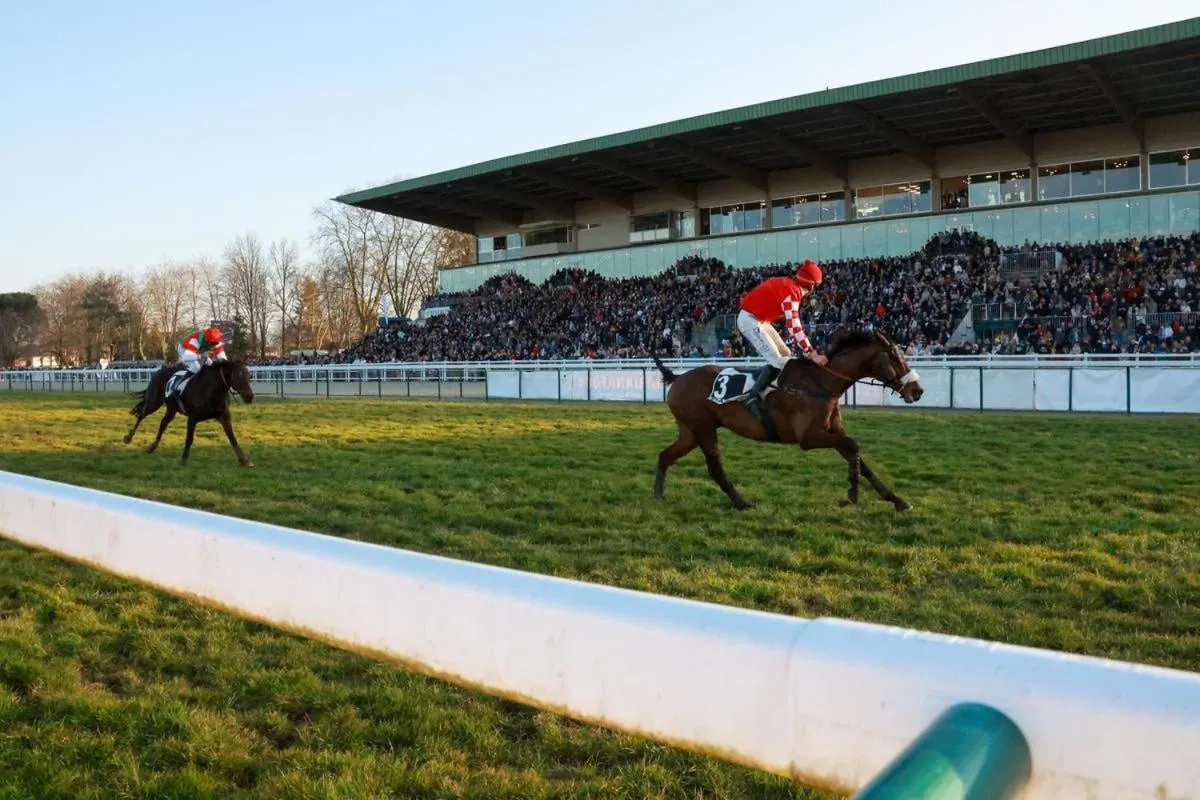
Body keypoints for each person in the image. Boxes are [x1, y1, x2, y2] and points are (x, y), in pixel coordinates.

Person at [736, 260, 827, 404]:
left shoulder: (788, 285)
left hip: (757, 319)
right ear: (812, 286)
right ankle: (751, 398)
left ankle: (765, 390)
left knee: (786, 355)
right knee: (778, 361)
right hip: (750, 320)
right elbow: (794, 327)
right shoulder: (792, 292)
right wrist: (811, 352)